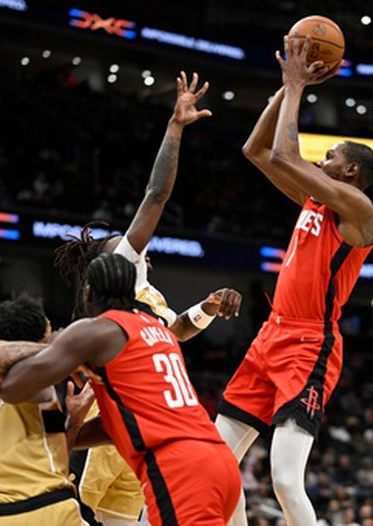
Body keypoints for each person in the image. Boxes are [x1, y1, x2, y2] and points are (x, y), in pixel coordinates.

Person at [52, 71, 241, 526]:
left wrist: (207, 308)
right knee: (94, 518)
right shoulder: (116, 290)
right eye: (130, 247)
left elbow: (172, 333)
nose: (141, 248)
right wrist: (175, 128)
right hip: (118, 421)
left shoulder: (145, 298)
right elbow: (155, 195)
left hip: (145, 427)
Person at [214, 36, 373, 526]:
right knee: (218, 462)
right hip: (271, 335)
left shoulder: (359, 211)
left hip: (310, 342)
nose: (320, 160)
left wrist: (295, 86)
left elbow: (285, 155)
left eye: (328, 156)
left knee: (285, 478)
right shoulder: (315, 199)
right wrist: (282, 92)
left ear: (349, 170)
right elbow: (256, 149)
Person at [0, 253, 241, 526]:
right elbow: (122, 423)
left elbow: (9, 389)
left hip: (179, 469)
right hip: (219, 462)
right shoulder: (157, 329)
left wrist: (63, 349)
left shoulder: (98, 332)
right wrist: (72, 429)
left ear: (88, 292)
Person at [0, 295, 92, 525]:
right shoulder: (31, 381)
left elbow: (52, 462)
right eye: (48, 333)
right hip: (44, 510)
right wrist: (66, 349)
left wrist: (73, 423)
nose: (56, 335)